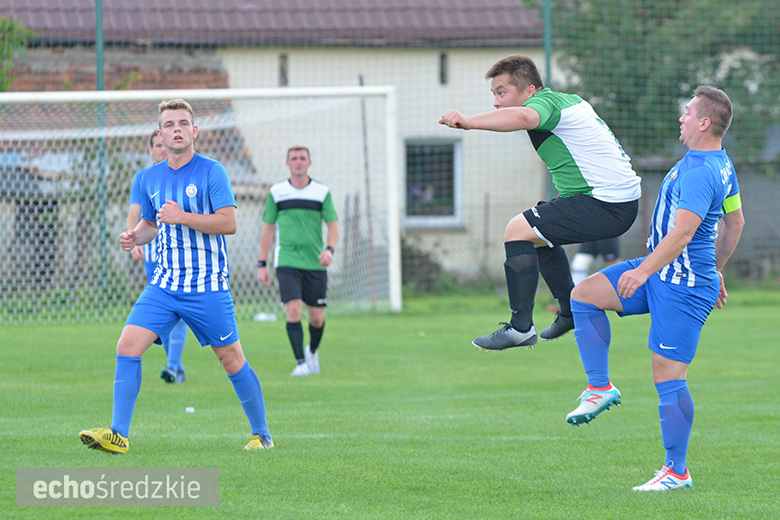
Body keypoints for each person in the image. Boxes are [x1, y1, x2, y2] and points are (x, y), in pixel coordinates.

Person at [563, 86, 744, 491]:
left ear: (703, 122)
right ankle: (599, 387)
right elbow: (735, 224)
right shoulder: (716, 164)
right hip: (668, 275)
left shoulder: (700, 172)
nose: (681, 118)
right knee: (584, 295)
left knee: (667, 375)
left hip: (680, 285)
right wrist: (715, 270)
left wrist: (645, 271)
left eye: (687, 112)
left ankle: (676, 472)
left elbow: (682, 234)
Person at [79, 99, 273, 453]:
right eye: (170, 124)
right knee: (127, 346)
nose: (177, 129)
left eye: (184, 123)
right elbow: (152, 223)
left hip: (206, 287)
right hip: (164, 286)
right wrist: (135, 236)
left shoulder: (213, 172)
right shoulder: (149, 176)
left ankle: (262, 434)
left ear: (194, 131)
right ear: (160, 134)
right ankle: (118, 434)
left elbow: (229, 223)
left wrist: (183, 216)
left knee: (231, 358)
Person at [439, 54, 641, 350]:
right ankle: (570, 312)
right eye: (494, 94)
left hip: (606, 203)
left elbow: (524, 117)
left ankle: (520, 328)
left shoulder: (542, 104)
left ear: (530, 90)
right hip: (614, 202)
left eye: (502, 92)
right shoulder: (565, 100)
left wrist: (469, 121)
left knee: (517, 229)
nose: (496, 102)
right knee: (535, 236)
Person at [257, 146, 339, 377]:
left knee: (316, 317)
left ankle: (312, 351)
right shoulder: (277, 192)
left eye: (302, 158)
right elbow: (268, 229)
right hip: (287, 261)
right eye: (294, 158)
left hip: (315, 263)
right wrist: (262, 263)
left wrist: (329, 250)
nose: (298, 162)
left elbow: (333, 226)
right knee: (292, 310)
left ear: (309, 163)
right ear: (288, 163)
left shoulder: (321, 192)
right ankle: (301, 363)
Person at [127, 130, 189, 384]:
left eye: (165, 145)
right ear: (150, 150)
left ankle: (173, 366)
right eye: (157, 146)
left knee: (180, 308)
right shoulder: (144, 178)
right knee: (168, 308)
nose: (162, 150)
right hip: (155, 253)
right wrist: (133, 240)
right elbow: (135, 212)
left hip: (183, 254)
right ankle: (176, 367)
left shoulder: (184, 174)